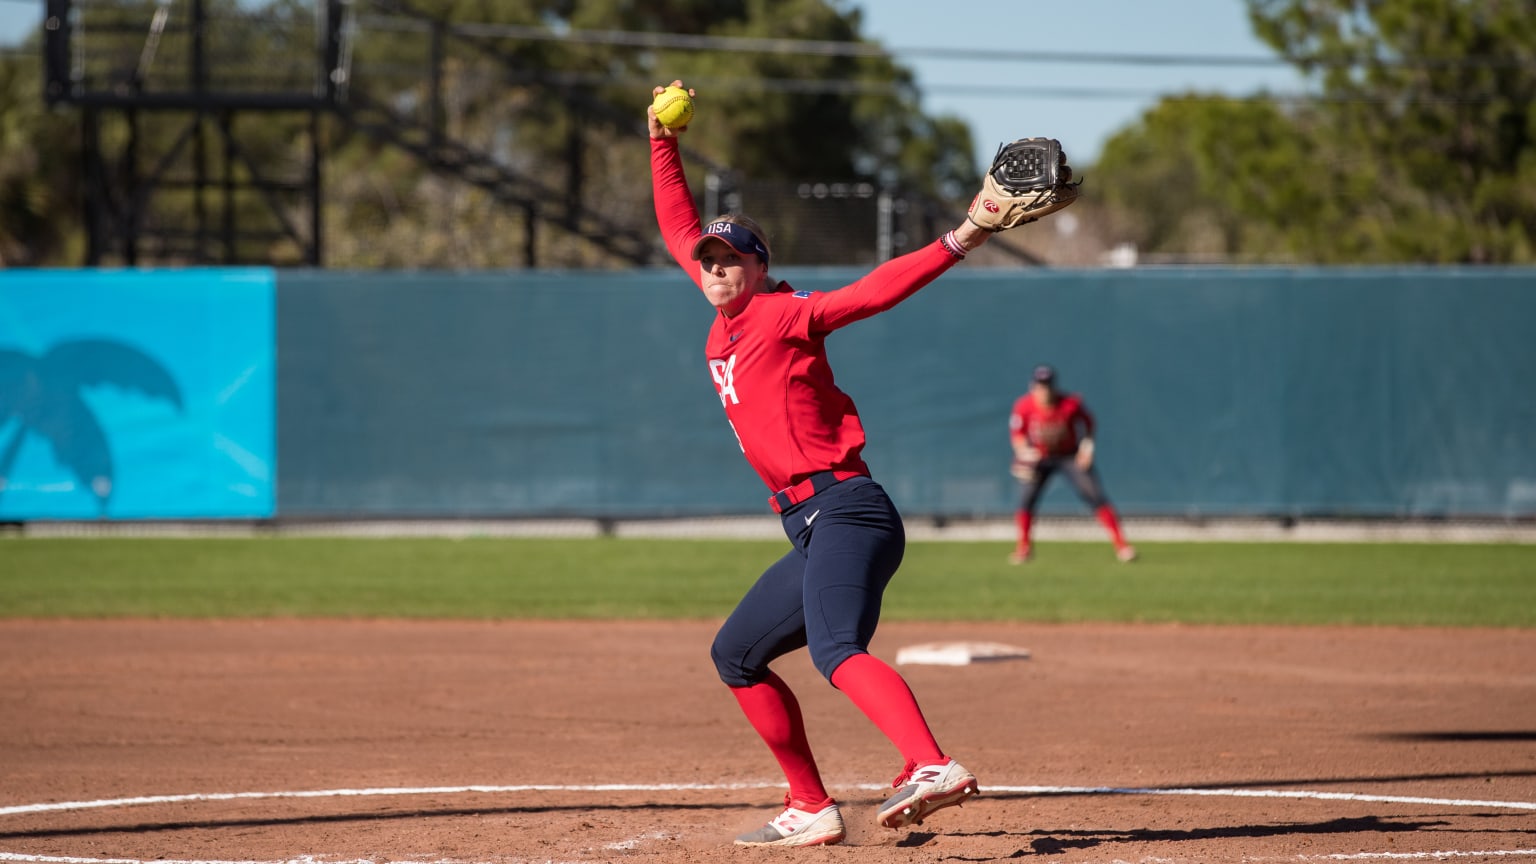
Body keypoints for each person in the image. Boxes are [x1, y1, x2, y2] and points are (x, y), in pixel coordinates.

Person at [647, 80, 1064, 847]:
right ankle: (810, 806)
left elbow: (874, 292)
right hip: (808, 525)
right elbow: (675, 220)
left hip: (847, 508)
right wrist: (659, 138)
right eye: (708, 260)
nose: (713, 268)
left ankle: (930, 762)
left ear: (759, 267)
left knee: (837, 650)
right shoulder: (723, 306)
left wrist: (966, 233)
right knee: (736, 655)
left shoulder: (782, 311)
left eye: (730, 259)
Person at [1008, 364, 1136, 563]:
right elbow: (1018, 436)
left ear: (1054, 386)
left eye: (1048, 385)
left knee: (1094, 494)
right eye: (1040, 385)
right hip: (1039, 458)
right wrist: (1024, 453)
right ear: (1032, 386)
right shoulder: (1024, 406)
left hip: (1069, 456)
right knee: (1026, 500)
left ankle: (1122, 546)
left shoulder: (1070, 404)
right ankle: (1024, 548)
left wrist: (1087, 449)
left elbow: (1089, 425)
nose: (1044, 390)